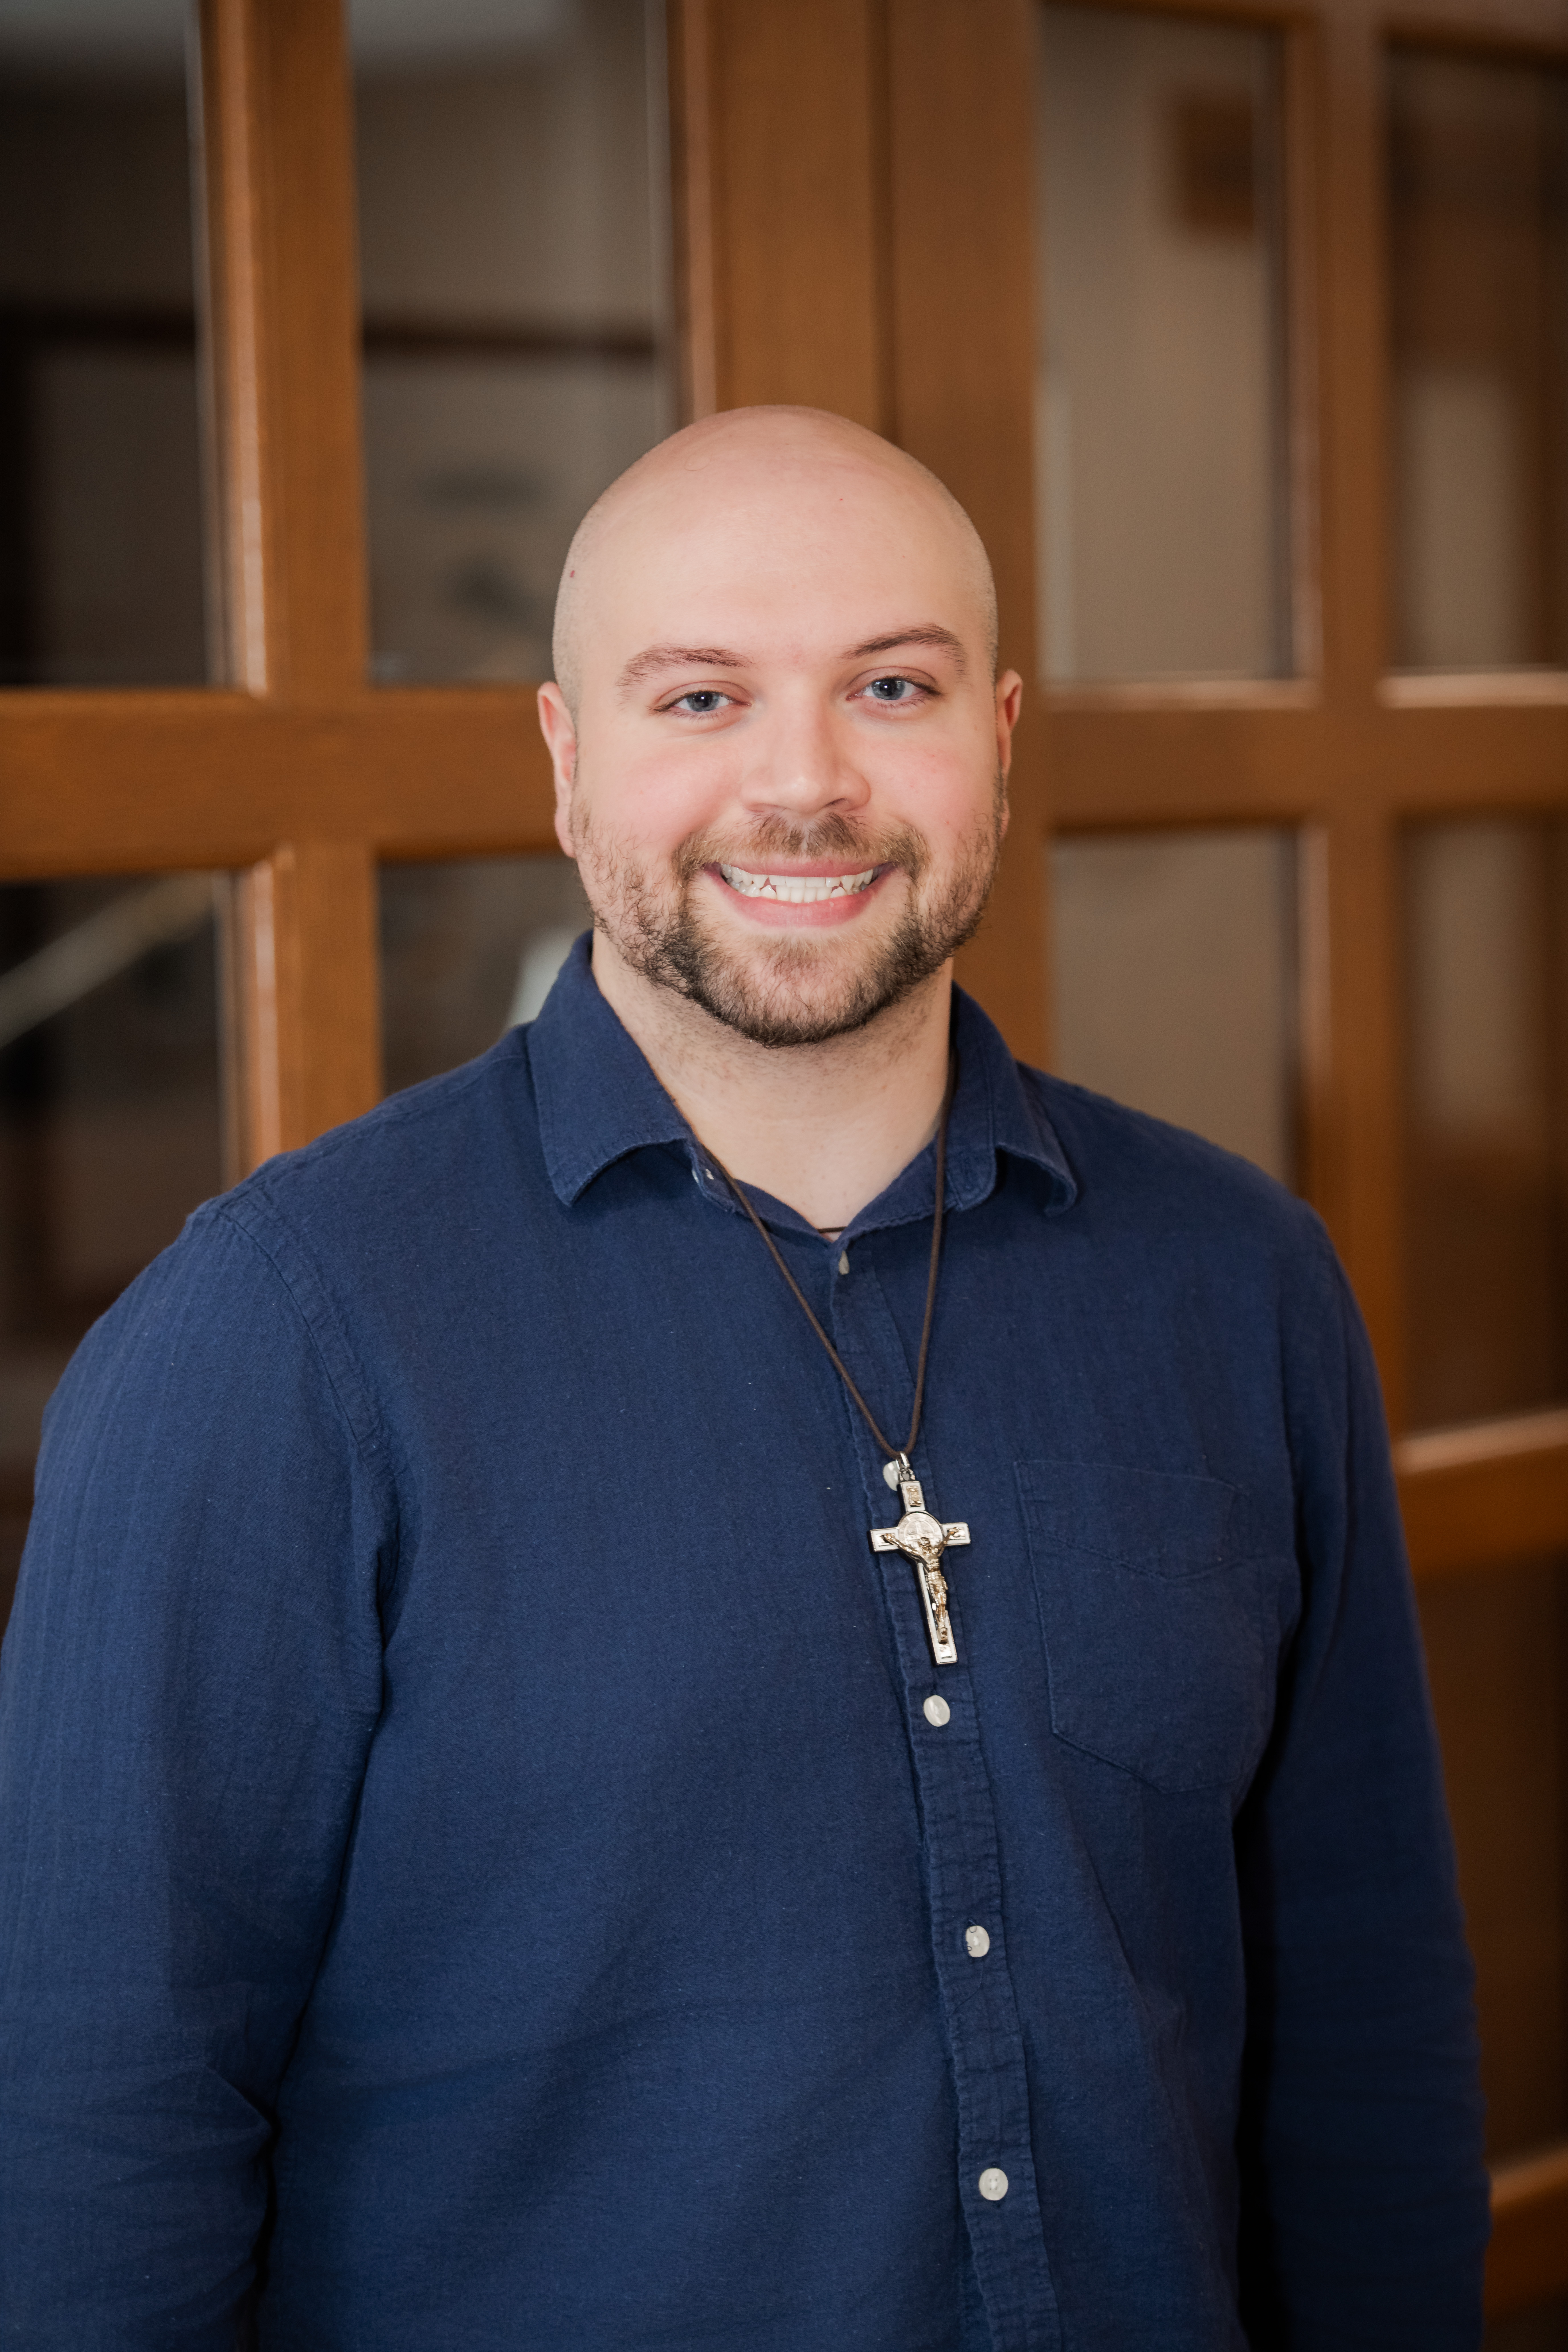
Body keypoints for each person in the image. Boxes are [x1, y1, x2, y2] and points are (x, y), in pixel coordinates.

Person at [0, 407, 1486, 2349]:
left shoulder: (1243, 1287)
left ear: (1002, 738)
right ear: (567, 761)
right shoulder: (271, 1343)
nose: (806, 783)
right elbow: (97, 2137)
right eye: (702, 697)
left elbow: (1365, 2029)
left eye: (893, 687)